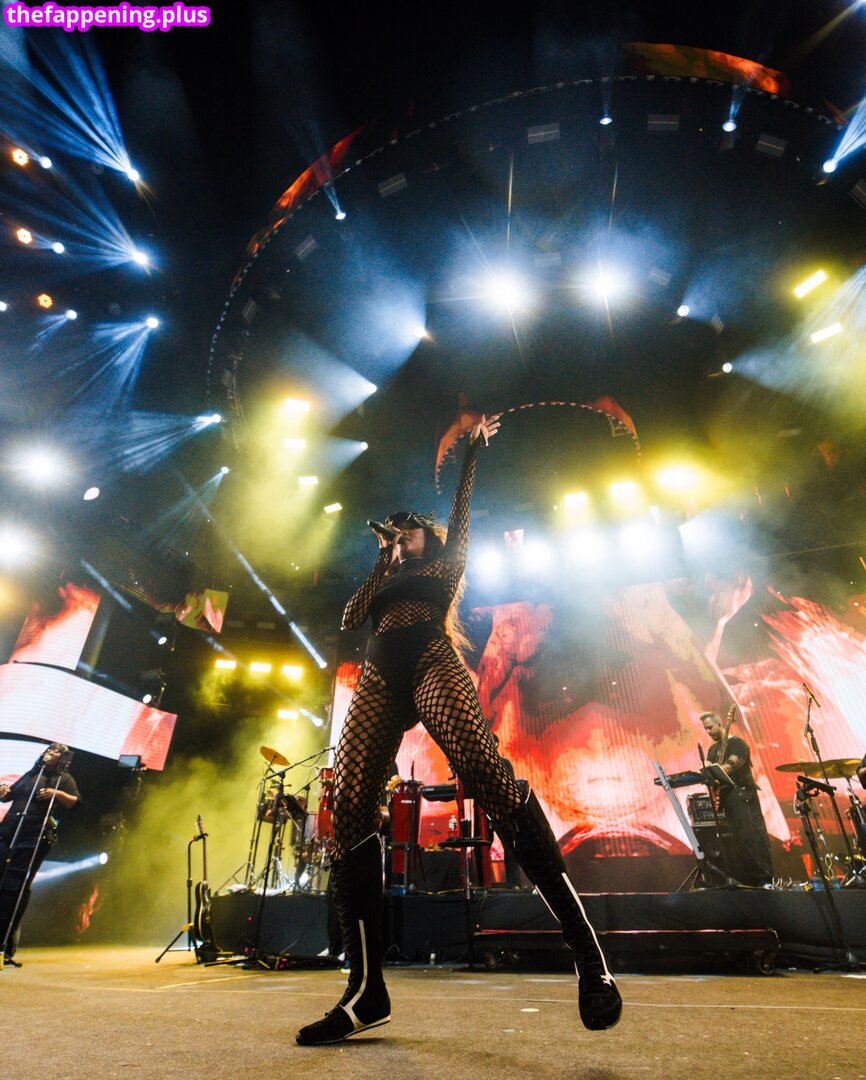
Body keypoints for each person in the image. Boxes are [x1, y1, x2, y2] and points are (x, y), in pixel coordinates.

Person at [295, 416, 621, 1046]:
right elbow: (350, 616)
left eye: (409, 529)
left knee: (481, 768)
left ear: (429, 536)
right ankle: (366, 990)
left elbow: (461, 516)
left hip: (430, 662)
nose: (401, 535)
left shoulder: (445, 566)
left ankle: (586, 952)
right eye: (396, 532)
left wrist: (471, 456)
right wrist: (381, 557)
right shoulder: (387, 576)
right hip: (380, 678)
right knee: (350, 808)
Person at [0, 743, 80, 962]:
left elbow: (75, 802)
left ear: (62, 758)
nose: (49, 753)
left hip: (34, 833)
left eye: (55, 752)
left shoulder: (64, 779)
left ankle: (5, 942)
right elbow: (9, 795)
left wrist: (57, 793)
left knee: (15, 884)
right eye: (48, 750)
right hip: (9, 828)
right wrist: (4, 790)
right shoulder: (32, 774)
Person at [699, 713, 773, 888]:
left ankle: (765, 879)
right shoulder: (713, 749)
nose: (708, 731)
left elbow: (731, 766)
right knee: (735, 841)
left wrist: (712, 771)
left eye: (710, 727)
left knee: (751, 837)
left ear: (719, 723)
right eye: (705, 729)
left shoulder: (738, 744)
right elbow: (707, 769)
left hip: (743, 796)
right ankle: (746, 880)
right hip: (727, 800)